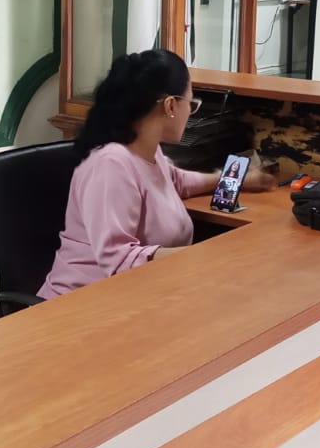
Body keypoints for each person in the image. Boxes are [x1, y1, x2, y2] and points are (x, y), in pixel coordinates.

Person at [37, 49, 274, 299]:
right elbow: (119, 261)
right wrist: (206, 257)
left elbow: (175, 181)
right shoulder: (111, 165)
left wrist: (237, 179)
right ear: (170, 105)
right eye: (191, 104)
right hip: (82, 303)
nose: (190, 112)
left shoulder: (147, 151)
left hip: (138, 295)